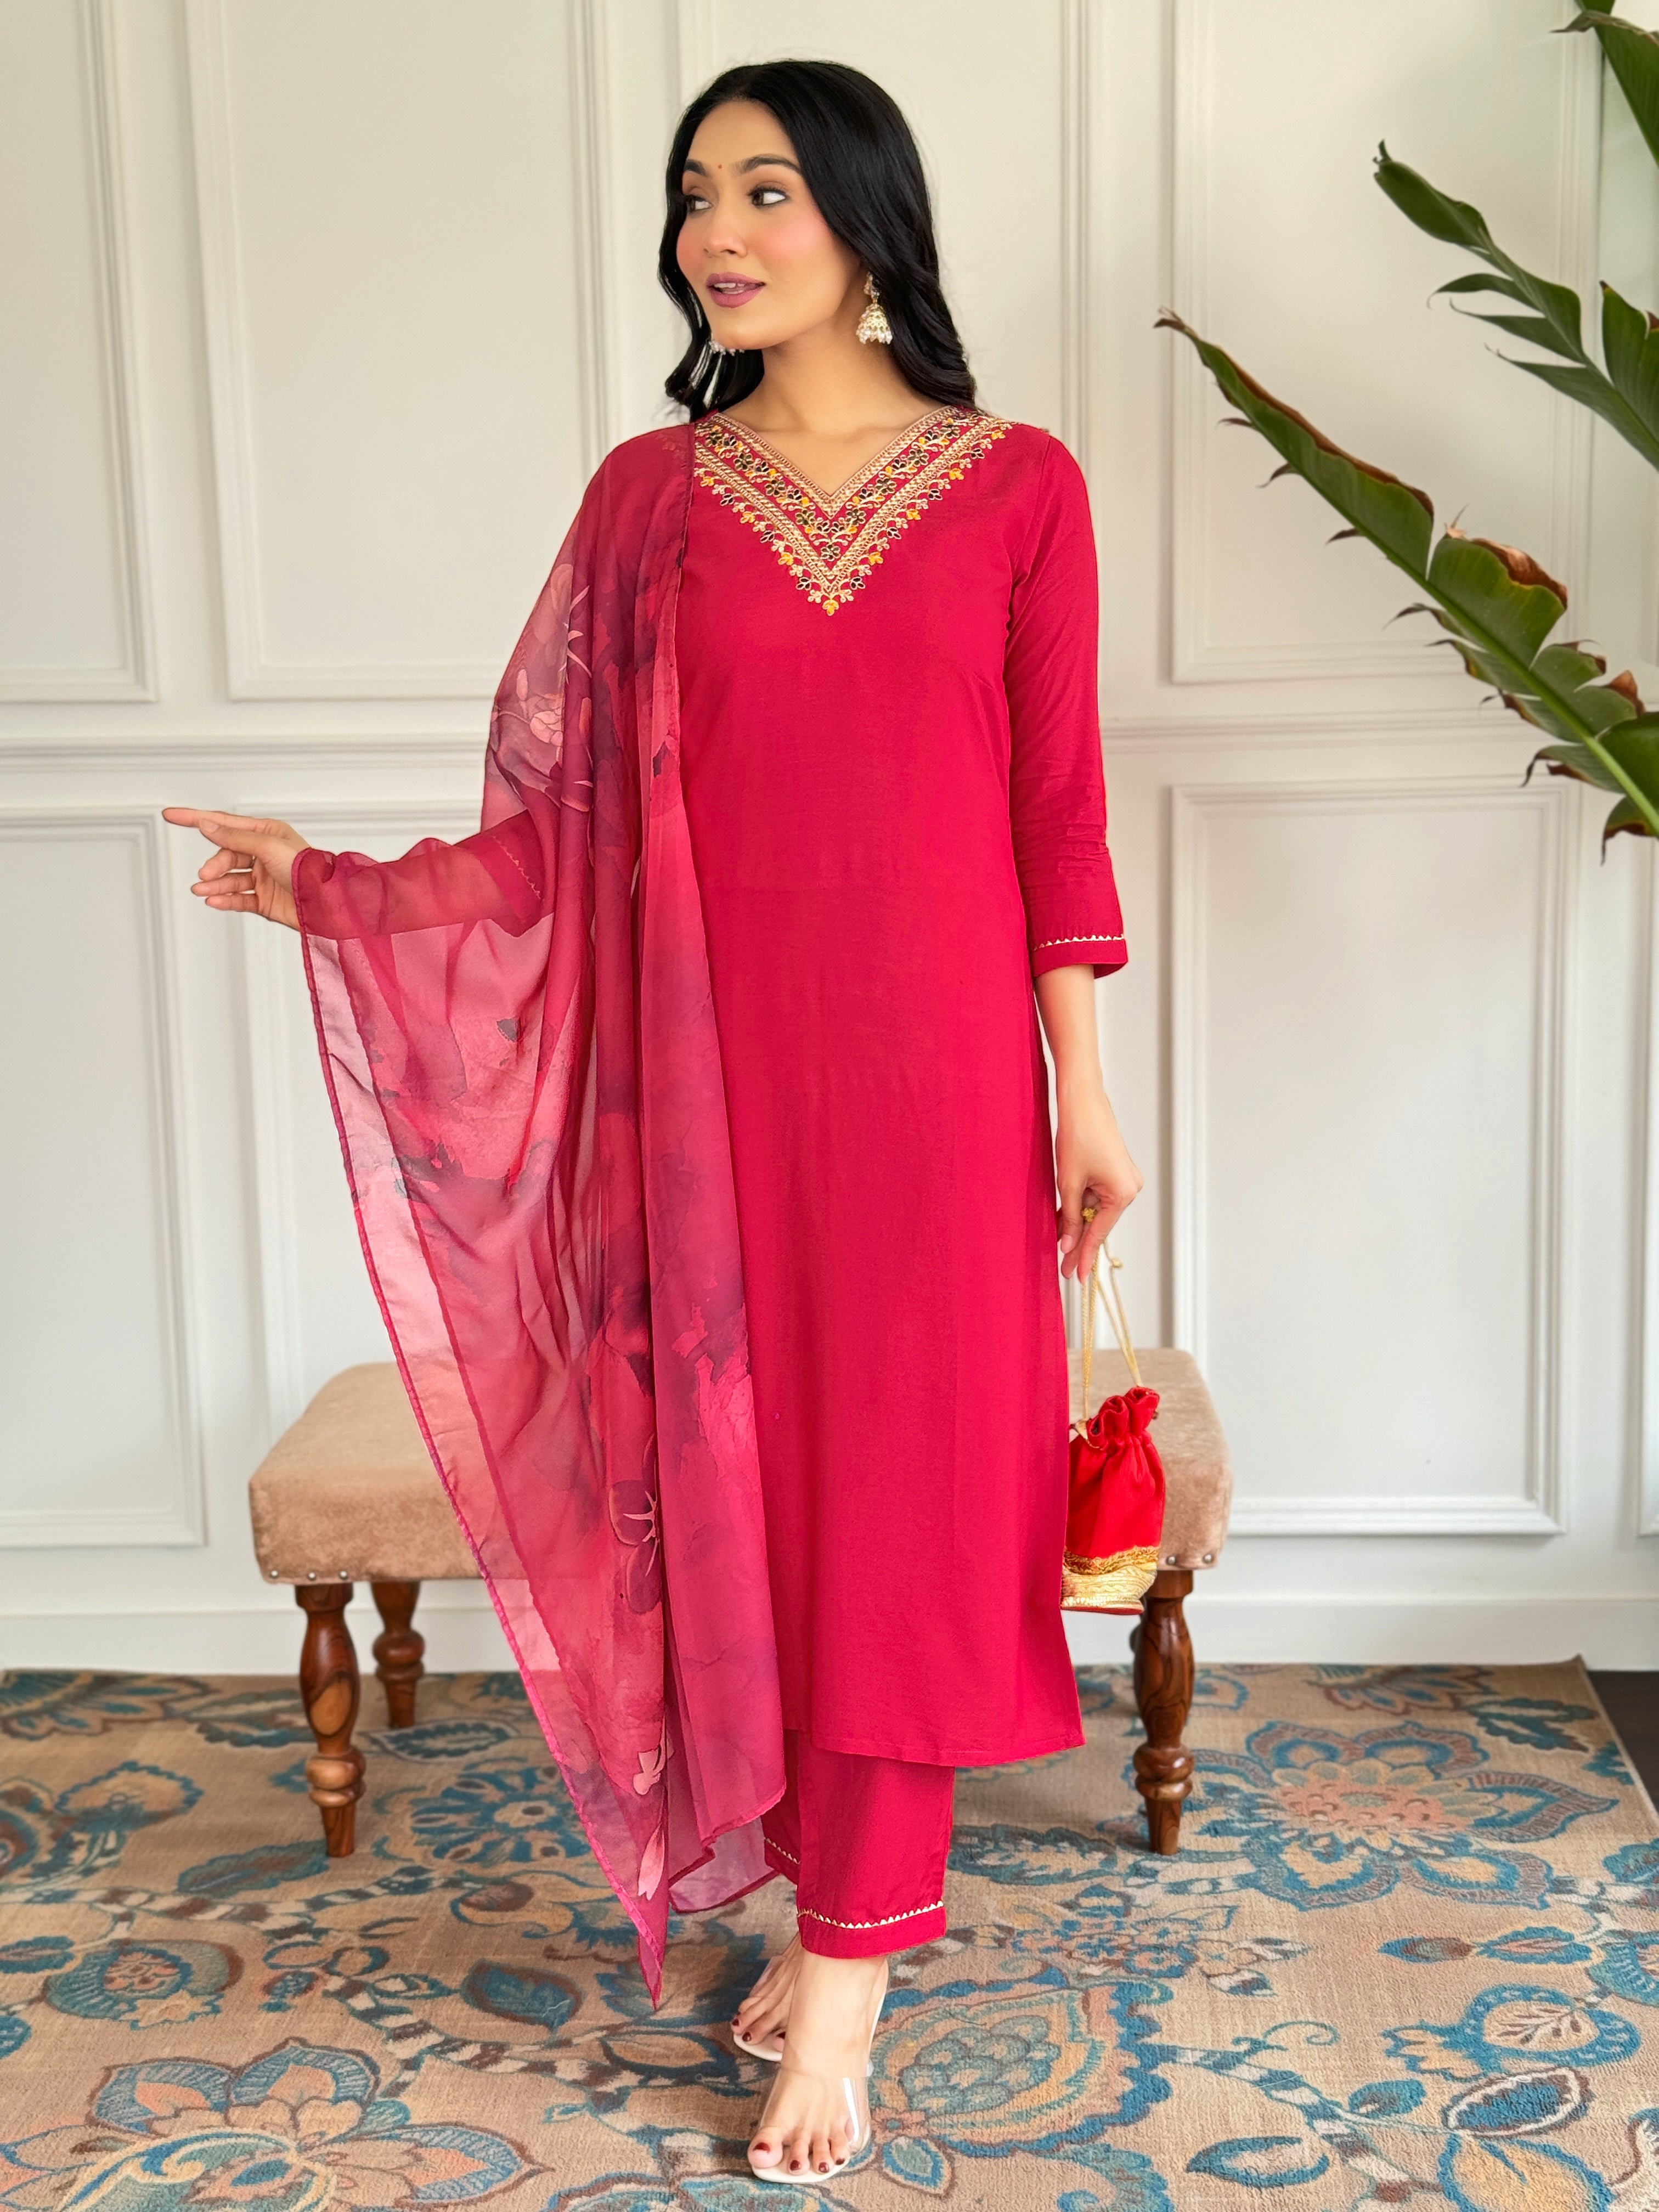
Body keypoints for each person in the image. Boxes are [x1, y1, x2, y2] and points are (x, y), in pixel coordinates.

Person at [165, 57, 1141, 2189]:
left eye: (770, 188)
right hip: (707, 1104)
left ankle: (857, 1978)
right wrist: (322, 887)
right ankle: (825, 1910)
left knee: (893, 1516)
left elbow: (1052, 813)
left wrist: (1082, 1094)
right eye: (698, 191)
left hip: (941, 1094)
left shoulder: (1020, 487)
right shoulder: (649, 498)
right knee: (742, 1505)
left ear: (868, 217)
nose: (721, 226)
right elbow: (553, 841)